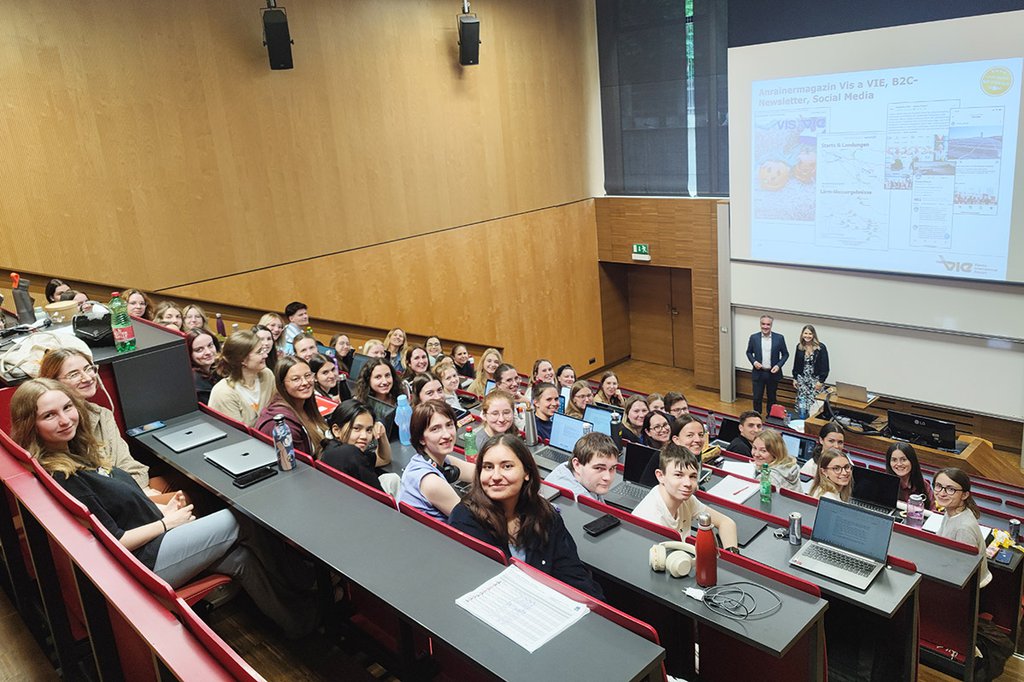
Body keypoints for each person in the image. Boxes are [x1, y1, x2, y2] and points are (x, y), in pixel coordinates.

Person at [11, 379, 318, 639]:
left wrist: (161, 508)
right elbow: (112, 540)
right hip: (142, 564)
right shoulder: (61, 473)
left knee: (242, 558)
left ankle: (302, 624)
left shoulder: (77, 452)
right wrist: (167, 523)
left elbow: (122, 502)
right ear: (31, 424)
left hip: (155, 543)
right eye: (49, 415)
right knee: (239, 517)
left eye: (67, 408)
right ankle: (304, 582)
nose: (65, 419)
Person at [448, 435, 604, 598]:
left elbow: (573, 574)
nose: (495, 476)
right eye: (487, 467)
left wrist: (596, 608)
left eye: (507, 466)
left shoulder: (545, 515)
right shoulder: (465, 520)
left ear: (527, 472)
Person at [38, 348, 161, 496]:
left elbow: (129, 466)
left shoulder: (102, 415)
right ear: (53, 383)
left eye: (88, 369)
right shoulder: (61, 428)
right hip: (110, 502)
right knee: (190, 497)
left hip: (126, 491)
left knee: (184, 484)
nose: (87, 378)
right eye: (74, 374)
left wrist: (139, 492)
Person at [632, 442, 739, 551]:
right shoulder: (651, 519)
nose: (687, 483)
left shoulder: (686, 499)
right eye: (678, 475)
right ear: (660, 476)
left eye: (692, 476)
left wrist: (732, 554)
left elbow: (726, 523)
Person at [397, 401, 474, 520]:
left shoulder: (432, 459)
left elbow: (478, 472)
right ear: (421, 439)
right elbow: (470, 522)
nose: (447, 435)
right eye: (435, 429)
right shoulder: (430, 481)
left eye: (449, 425)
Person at [255, 357, 329, 458]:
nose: (305, 382)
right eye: (296, 379)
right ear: (282, 385)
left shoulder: (306, 404)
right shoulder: (281, 425)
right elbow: (301, 465)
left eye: (308, 376)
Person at [319, 401, 397, 494]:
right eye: (356, 428)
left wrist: (382, 434)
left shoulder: (331, 448)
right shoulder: (350, 453)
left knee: (392, 479)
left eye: (369, 430)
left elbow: (384, 459)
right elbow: (381, 497)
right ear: (336, 430)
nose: (364, 436)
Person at [933, 468, 991, 586]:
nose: (942, 493)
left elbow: (964, 570)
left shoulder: (963, 529)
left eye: (951, 489)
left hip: (967, 587)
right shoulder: (951, 510)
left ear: (964, 495)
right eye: (938, 486)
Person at [208, 330, 274, 427]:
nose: (265, 355)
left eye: (263, 350)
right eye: (259, 352)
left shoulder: (267, 375)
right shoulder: (224, 393)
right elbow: (238, 435)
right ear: (242, 360)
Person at [543, 432, 618, 502]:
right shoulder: (581, 502)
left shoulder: (566, 467)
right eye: (598, 468)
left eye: (612, 468)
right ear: (577, 465)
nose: (607, 477)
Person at [745, 314, 789, 414]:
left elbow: (786, 354)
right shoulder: (754, 337)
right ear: (760, 324)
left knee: (772, 398)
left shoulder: (779, 338)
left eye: (768, 324)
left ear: (771, 325)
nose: (765, 326)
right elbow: (748, 352)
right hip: (758, 373)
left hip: (773, 374)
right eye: (763, 324)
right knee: (757, 398)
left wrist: (778, 365)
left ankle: (771, 419)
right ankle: (757, 418)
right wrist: (754, 362)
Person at [792, 324, 830, 419]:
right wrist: (795, 378)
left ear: (813, 335)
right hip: (802, 381)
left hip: (815, 381)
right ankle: (802, 424)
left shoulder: (820, 348)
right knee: (802, 405)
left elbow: (825, 366)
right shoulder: (800, 347)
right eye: (805, 333)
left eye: (810, 333)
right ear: (802, 334)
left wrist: (821, 381)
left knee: (815, 406)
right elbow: (796, 364)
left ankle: (812, 425)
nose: (807, 336)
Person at [886, 443, 934, 509]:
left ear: (912, 461)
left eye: (904, 459)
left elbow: (932, 511)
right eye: (894, 460)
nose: (899, 464)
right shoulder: (884, 484)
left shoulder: (924, 485)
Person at [185, 328, 221, 405]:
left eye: (210, 345)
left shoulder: (217, 369)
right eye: (199, 350)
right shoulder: (197, 384)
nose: (208, 352)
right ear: (188, 354)